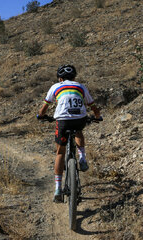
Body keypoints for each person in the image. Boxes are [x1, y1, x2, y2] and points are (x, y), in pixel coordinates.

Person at [37, 64, 101, 202]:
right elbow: (93, 105)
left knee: (60, 153)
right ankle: (82, 157)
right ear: (74, 77)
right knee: (78, 131)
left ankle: (58, 189)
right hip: (79, 119)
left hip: (63, 121)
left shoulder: (55, 87)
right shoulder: (81, 86)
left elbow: (44, 108)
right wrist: (97, 116)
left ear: (60, 78)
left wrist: (41, 116)